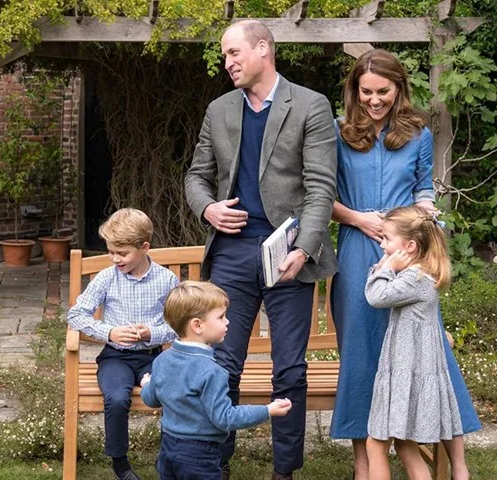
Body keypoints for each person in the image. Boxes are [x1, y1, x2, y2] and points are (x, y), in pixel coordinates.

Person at [184, 19, 337, 480]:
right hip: (231, 254)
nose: (227, 63)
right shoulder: (219, 110)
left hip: (289, 254)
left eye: (234, 53)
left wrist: (305, 249)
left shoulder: (310, 105)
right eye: (224, 55)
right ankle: (216, 465)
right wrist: (208, 208)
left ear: (264, 49)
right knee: (221, 365)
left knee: (289, 369)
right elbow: (196, 176)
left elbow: (320, 188)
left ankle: (284, 471)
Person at [328, 48, 480, 480]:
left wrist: (424, 211)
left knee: (428, 348)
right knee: (361, 354)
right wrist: (358, 218)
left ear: (399, 89)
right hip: (358, 251)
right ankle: (364, 464)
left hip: (408, 252)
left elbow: (422, 188)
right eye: (367, 92)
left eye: (384, 92)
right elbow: (321, 196)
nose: (375, 100)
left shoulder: (417, 134)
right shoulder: (337, 132)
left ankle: (456, 463)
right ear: (355, 91)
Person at [67, 208, 178, 480]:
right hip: (115, 358)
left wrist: (152, 333)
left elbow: (180, 325)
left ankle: (169, 459)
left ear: (144, 248)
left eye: (122, 253)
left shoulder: (166, 280)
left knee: (173, 394)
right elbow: (76, 315)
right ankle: (120, 463)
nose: (115, 258)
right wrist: (110, 332)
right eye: (111, 252)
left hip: (154, 358)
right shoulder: (107, 278)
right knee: (116, 398)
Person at [141, 280, 292, 480]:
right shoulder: (212, 371)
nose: (227, 322)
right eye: (221, 317)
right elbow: (225, 418)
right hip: (199, 455)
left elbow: (151, 399)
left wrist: (146, 384)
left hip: (167, 448)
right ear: (197, 325)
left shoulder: (162, 360)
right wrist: (267, 410)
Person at [364, 205, 469, 480]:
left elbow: (376, 296)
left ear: (409, 246)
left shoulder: (415, 278)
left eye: (387, 238)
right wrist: (388, 266)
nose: (382, 244)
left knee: (375, 444)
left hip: (406, 374)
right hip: (406, 371)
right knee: (405, 446)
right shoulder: (418, 274)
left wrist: (385, 267)